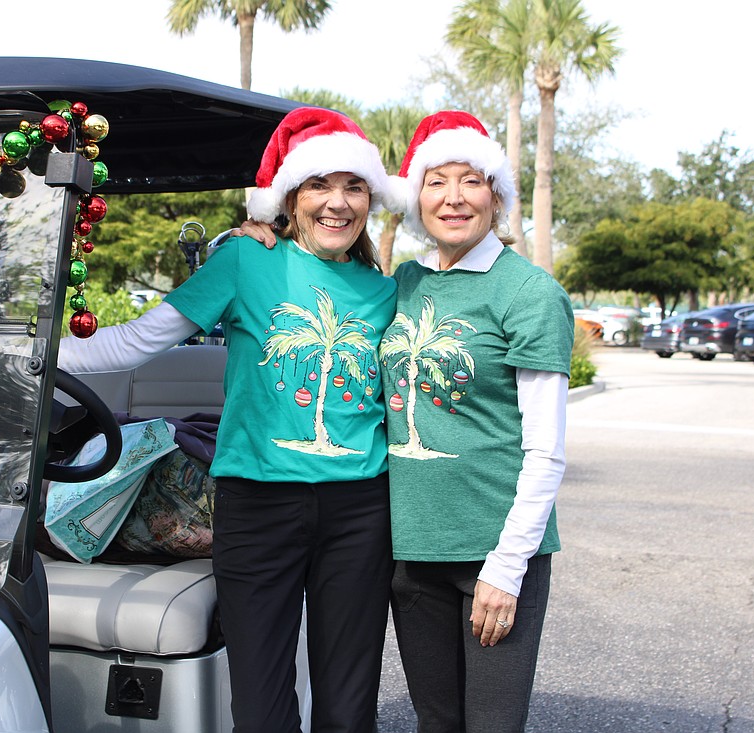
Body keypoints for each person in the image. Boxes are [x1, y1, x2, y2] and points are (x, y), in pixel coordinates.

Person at [55, 107, 398, 733]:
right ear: (291, 198)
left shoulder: (386, 291)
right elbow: (133, 343)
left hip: (359, 514)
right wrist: (29, 352)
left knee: (348, 713)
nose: (338, 203)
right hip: (258, 509)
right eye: (321, 184)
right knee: (262, 711)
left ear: (370, 200)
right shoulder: (245, 262)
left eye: (354, 187)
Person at [380, 110, 573, 733]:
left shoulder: (528, 292)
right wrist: (265, 228)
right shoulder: (404, 283)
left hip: (493, 555)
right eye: (436, 181)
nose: (454, 197)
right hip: (412, 555)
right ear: (416, 197)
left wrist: (507, 566)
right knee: (436, 723)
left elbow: (546, 450)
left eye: (471, 180)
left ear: (496, 195)